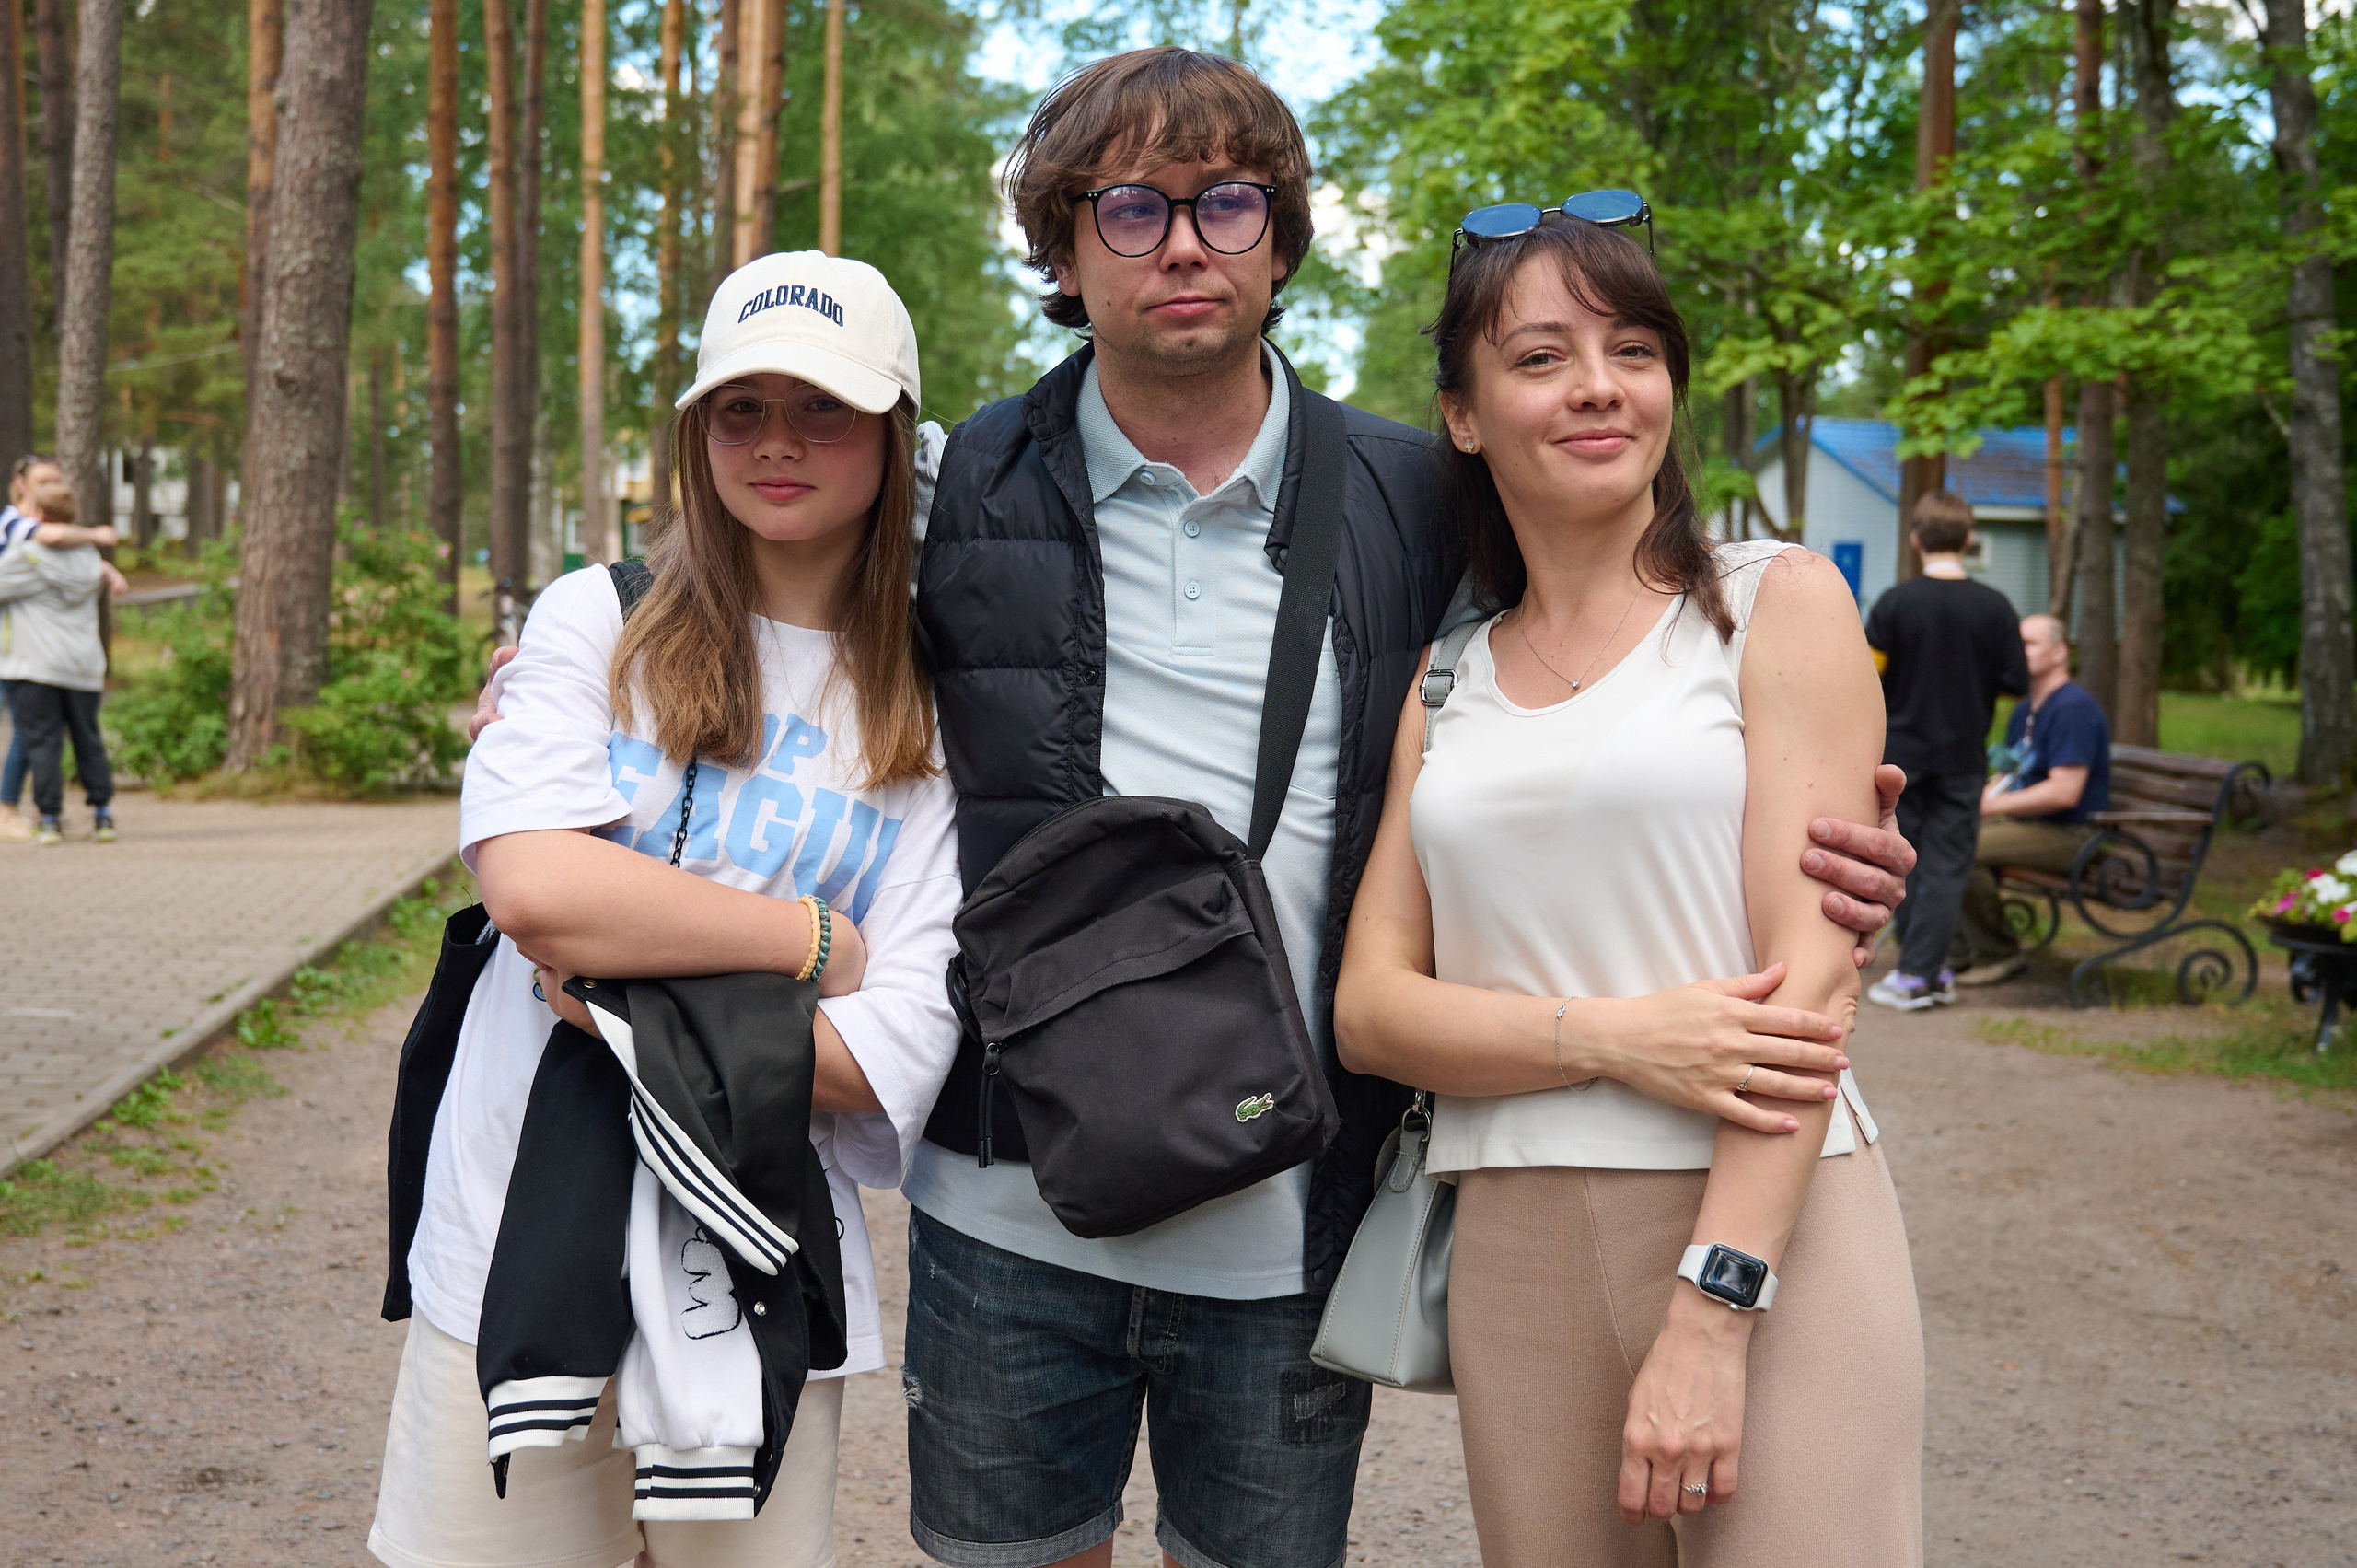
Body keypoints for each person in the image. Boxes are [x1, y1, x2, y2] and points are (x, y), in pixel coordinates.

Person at [896, 49, 1917, 1568]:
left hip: (1290, 1199)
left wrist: (1833, 836)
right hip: (1009, 1194)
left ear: (1283, 237)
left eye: (1227, 201)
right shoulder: (955, 483)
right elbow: (754, 601)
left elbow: (1618, 656)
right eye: (1129, 207)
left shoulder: (1409, 497)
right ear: (1060, 245)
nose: (1184, 240)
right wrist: (575, 674)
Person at [1335, 212, 1922, 1566]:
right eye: (1542, 355)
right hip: (1511, 1243)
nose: (1601, 383)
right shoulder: (1446, 679)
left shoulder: (1777, 604)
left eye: (1636, 347)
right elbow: (1372, 1009)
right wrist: (1610, 1033)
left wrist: (1718, 1308)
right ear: (1464, 416)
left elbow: (1808, 985)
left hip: (1770, 1224)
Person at [369, 252, 963, 1568]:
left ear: (891, 431)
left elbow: (883, 1054)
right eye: (739, 409)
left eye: (822, 408)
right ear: (697, 435)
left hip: (762, 1252)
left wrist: (618, 968)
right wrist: (810, 941)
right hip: (514, 1221)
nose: (778, 442)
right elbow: (532, 889)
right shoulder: (597, 618)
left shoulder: (926, 702)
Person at [1862, 492, 2029, 1011]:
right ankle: (1922, 970)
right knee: (1949, 863)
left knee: (1904, 860)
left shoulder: (1894, 602)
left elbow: (1868, 677)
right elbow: (2017, 680)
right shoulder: (1996, 608)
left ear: (1915, 540)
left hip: (1901, 757)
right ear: (1969, 539)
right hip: (1963, 755)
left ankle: (1919, 972)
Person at [1953, 612, 2114, 983]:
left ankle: (1998, 954)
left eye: (2030, 643)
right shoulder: (2027, 710)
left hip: (2074, 835)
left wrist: (1989, 807)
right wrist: (1974, 800)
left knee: (1962, 846)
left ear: (2059, 653)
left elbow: (2064, 791)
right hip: (2030, 826)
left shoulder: (2073, 708)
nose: (2018, 651)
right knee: (1946, 835)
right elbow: (2010, 773)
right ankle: (1959, 950)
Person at [0, 455, 123, 841]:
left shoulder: (27, 556)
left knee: (41, 743)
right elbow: (61, 539)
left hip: (36, 665)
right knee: (89, 739)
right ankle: (102, 814)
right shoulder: (89, 558)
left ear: (39, 511)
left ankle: (48, 817)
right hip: (84, 667)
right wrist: (102, 550)